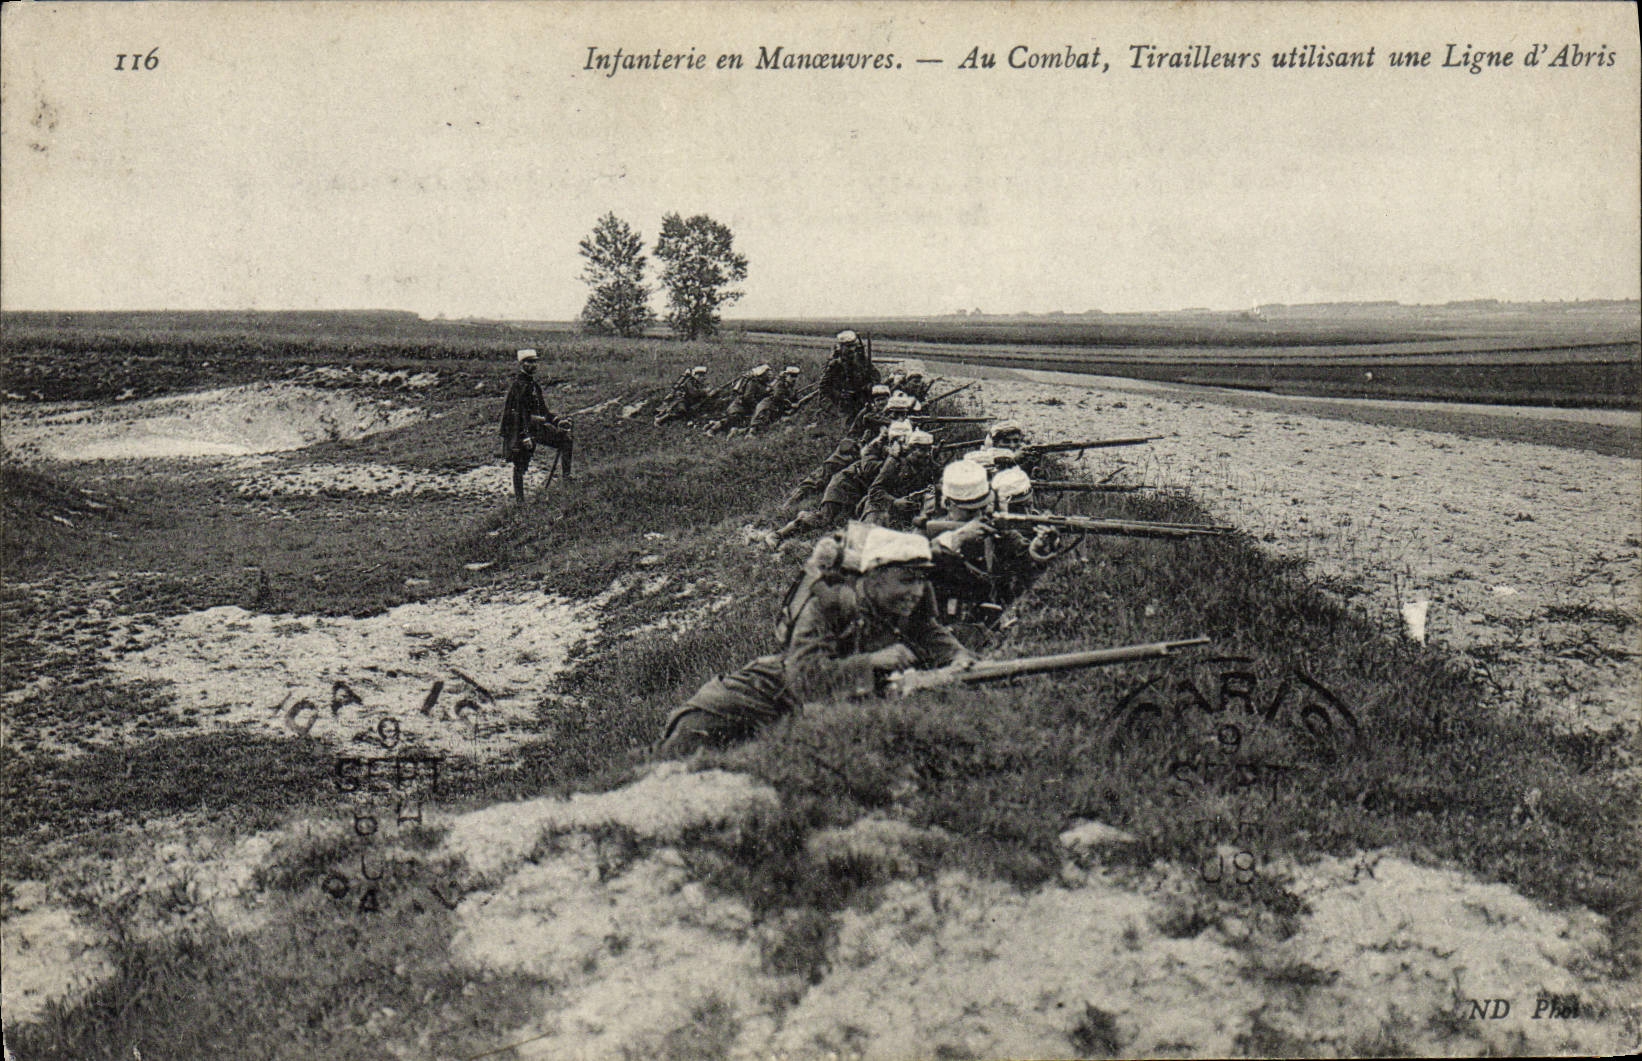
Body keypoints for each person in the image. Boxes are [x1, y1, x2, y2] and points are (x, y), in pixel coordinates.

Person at [657, 523, 975, 756]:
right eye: (906, 581)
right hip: (737, 708)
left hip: (793, 720)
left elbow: (939, 640)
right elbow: (805, 678)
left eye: (920, 582)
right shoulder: (829, 605)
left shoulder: (907, 605)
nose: (916, 592)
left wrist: (960, 661)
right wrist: (871, 662)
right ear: (874, 577)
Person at [499, 348, 573, 501]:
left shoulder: (534, 385)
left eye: (535, 362)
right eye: (529, 362)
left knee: (566, 441)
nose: (533, 365)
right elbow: (517, 415)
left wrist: (558, 421)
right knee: (520, 464)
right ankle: (520, 502)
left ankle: (566, 481)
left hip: (537, 429)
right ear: (522, 364)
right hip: (522, 431)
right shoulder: (518, 386)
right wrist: (524, 436)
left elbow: (543, 411)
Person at [707, 363, 772, 435]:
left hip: (745, 409)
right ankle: (712, 429)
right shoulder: (753, 383)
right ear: (762, 374)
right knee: (733, 420)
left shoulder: (763, 384)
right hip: (739, 408)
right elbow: (748, 397)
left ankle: (714, 425)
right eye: (767, 373)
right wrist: (757, 407)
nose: (770, 375)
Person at [746, 365, 803, 435]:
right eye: (792, 376)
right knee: (756, 429)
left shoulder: (790, 387)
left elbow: (793, 398)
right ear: (786, 376)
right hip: (766, 408)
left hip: (774, 410)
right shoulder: (779, 384)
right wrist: (790, 404)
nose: (794, 379)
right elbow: (778, 397)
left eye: (796, 376)